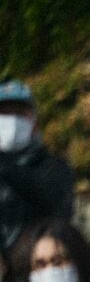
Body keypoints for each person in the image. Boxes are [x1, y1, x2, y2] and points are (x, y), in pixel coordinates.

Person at [0, 80, 75, 258]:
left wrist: (6, 167)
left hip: (39, 265)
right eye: (4, 113)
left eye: (19, 113)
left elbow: (54, 208)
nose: (12, 120)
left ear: (35, 123)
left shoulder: (55, 167)